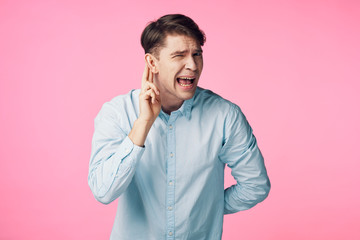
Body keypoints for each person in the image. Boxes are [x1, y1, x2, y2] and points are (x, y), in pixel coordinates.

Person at [88, 14, 270, 240]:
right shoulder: (117, 113)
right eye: (179, 56)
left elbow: (256, 185)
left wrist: (205, 209)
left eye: (197, 55)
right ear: (152, 63)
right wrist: (143, 124)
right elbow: (103, 192)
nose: (192, 66)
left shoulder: (224, 116)